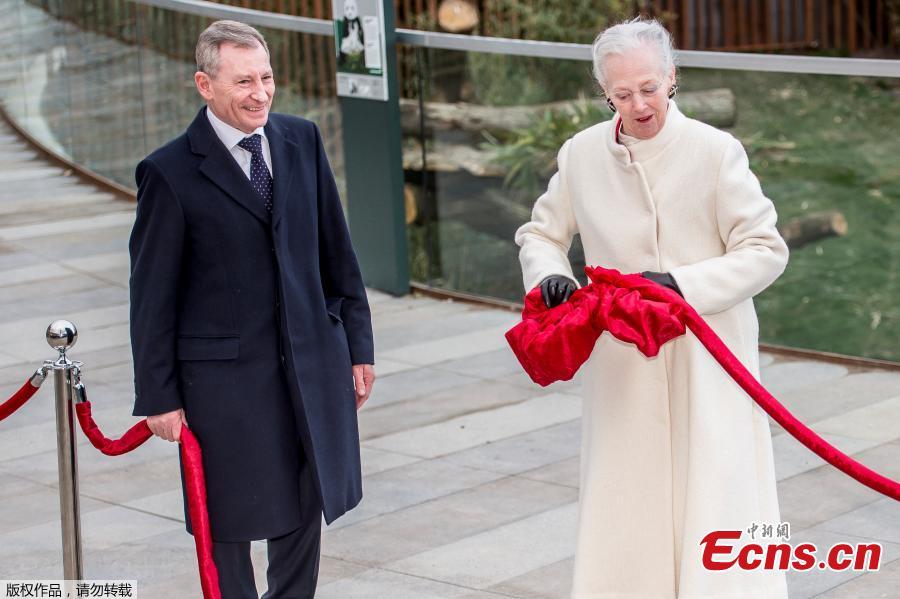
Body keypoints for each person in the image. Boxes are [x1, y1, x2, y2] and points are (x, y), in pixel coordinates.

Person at [515, 18, 789, 599]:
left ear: (672, 78)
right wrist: (553, 277)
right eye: (622, 94)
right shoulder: (582, 154)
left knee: (718, 493)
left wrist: (680, 285)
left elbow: (765, 250)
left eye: (649, 88)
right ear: (604, 93)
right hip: (623, 364)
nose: (639, 105)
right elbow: (540, 235)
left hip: (710, 357)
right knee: (627, 496)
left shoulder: (716, 152)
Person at [129, 20, 375, 598]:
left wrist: (358, 348)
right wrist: (159, 395)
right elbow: (152, 295)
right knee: (227, 520)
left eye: (266, 77)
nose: (260, 93)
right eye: (243, 81)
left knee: (304, 502)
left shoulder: (301, 139)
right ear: (204, 85)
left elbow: (337, 253)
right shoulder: (167, 172)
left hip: (312, 364)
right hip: (223, 382)